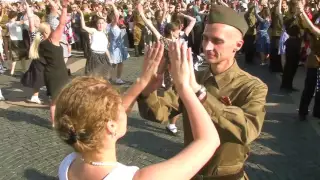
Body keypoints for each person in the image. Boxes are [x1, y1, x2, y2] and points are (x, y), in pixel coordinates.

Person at [55, 42, 220, 180]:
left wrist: (142, 81)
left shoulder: (69, 165)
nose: (125, 105)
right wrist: (186, 86)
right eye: (120, 105)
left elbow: (103, 117)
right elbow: (209, 141)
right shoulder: (141, 178)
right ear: (111, 126)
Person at [138, 5, 268, 179]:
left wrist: (200, 93)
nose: (207, 46)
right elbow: (159, 113)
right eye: (205, 38)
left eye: (217, 41)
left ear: (238, 45)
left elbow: (247, 130)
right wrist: (149, 89)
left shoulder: (252, 87)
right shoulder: (194, 77)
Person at [39, 0, 70, 126]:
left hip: (50, 73)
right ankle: (61, 120)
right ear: (47, 30)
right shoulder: (53, 40)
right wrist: (64, 7)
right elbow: (62, 24)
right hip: (58, 73)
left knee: (54, 101)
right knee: (61, 99)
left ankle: (54, 123)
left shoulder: (40, 43)